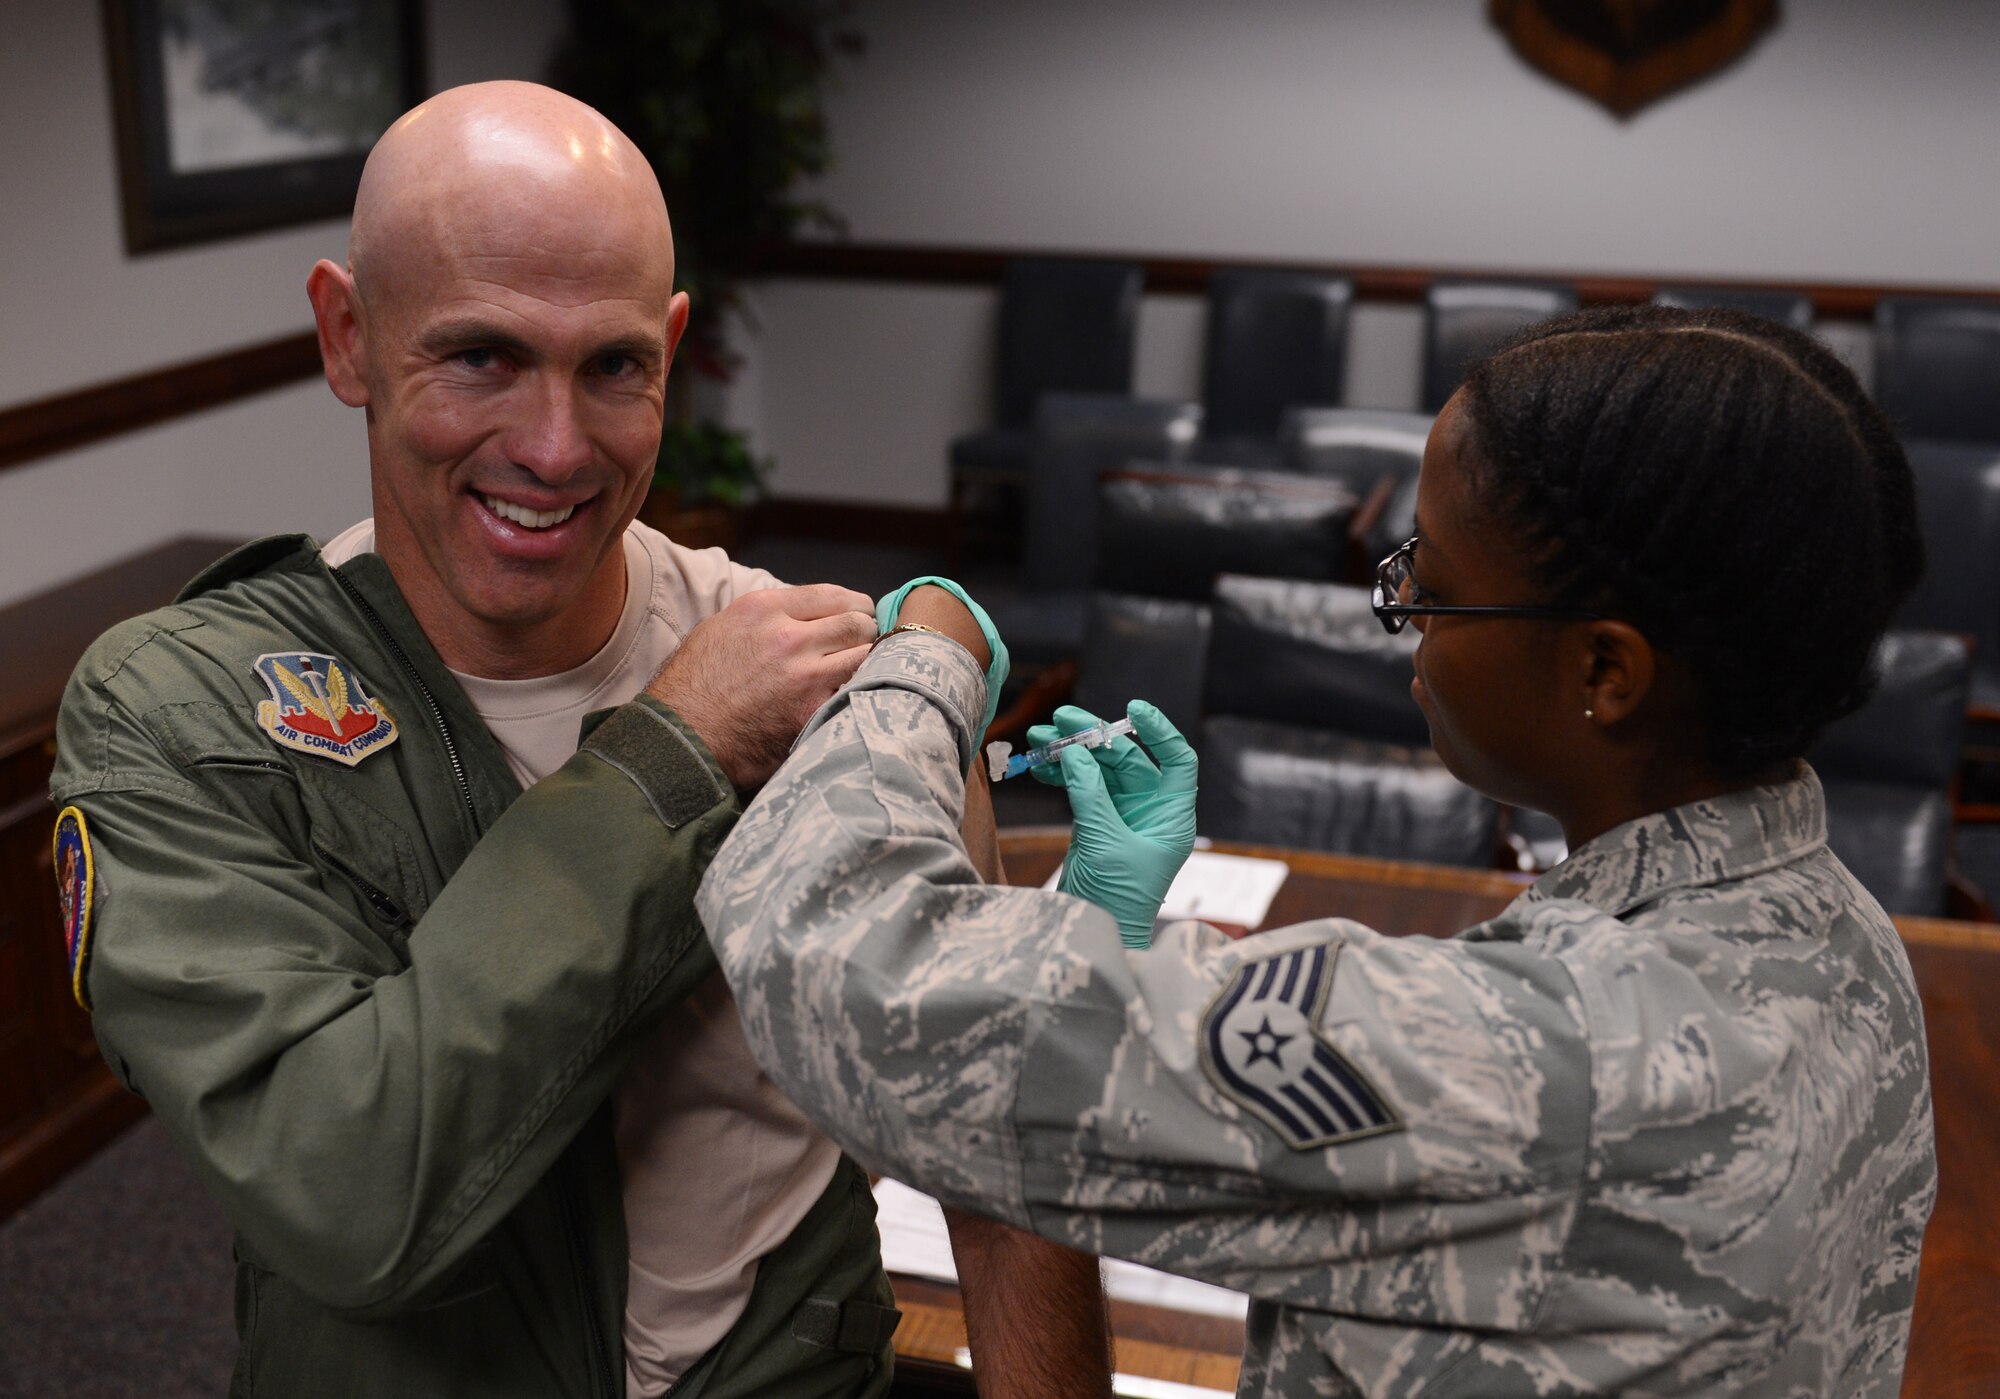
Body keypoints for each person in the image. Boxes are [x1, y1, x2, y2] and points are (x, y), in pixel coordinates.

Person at [50, 82, 1108, 1398]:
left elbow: (995, 1140)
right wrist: (677, 746)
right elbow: (347, 1188)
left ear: (670, 346)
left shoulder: (809, 672)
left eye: (614, 365)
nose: (555, 449)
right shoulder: (188, 713)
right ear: (348, 337)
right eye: (481, 354)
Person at [698, 305, 1939, 1397]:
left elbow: (849, 973)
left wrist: (925, 664)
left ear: (1601, 670)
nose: (1399, 620)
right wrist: (1105, 945)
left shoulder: (1543, 1055)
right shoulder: (1844, 940)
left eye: (1431, 586)